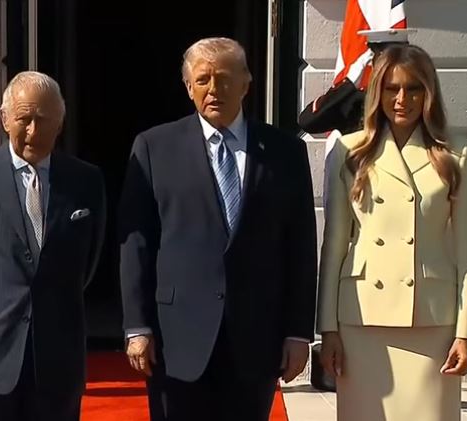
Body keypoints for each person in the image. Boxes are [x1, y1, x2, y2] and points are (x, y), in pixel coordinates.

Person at [118, 37, 318, 421]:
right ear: (188, 87)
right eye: (203, 79)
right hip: (176, 338)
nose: (214, 89)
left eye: (224, 79)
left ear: (246, 83)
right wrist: (137, 326)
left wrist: (298, 332)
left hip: (256, 337)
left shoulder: (284, 151)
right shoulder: (154, 147)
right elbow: (136, 242)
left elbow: (300, 247)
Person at [316, 44, 467, 421]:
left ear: (429, 93)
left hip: (431, 320)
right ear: (378, 93)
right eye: (392, 89)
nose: (402, 99)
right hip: (361, 318)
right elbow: (334, 246)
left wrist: (466, 332)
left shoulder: (456, 152)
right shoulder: (349, 150)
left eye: (413, 88)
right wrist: (327, 329)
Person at [0, 71, 106, 421]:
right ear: (4, 119)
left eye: (43, 120)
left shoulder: (85, 181)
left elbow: (89, 260)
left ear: (60, 123)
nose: (33, 131)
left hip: (57, 356)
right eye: (24, 119)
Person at [298, 28, 415, 137]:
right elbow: (308, 122)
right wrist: (347, 84)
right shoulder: (356, 102)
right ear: (372, 61)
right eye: (385, 60)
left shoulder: (418, 96)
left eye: (399, 60)